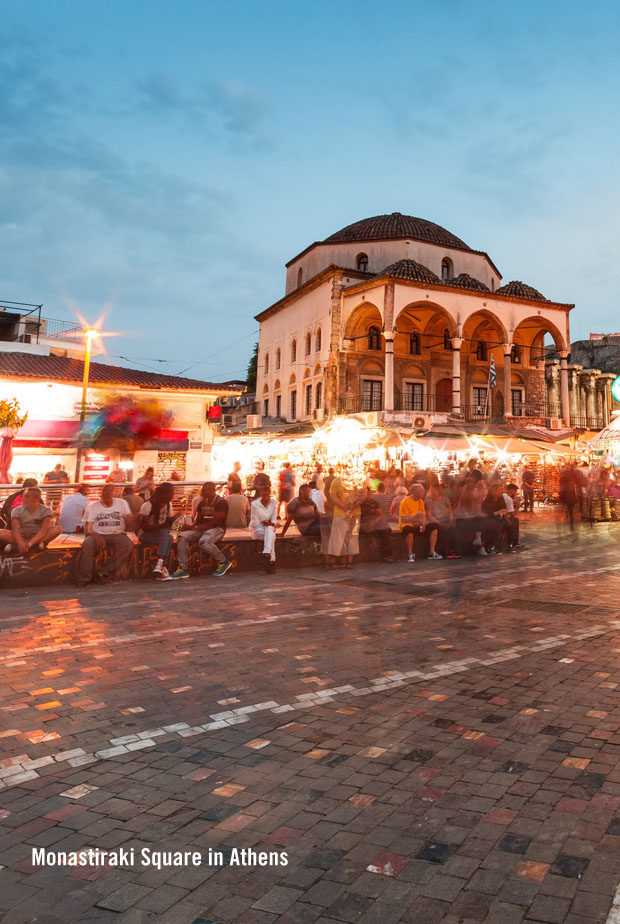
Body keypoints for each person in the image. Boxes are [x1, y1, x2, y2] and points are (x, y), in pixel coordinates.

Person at [75, 483, 133, 586]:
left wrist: (131, 519)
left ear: (114, 494)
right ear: (102, 495)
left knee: (128, 544)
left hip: (117, 534)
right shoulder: (93, 506)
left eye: (110, 493)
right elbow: (87, 528)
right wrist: (96, 535)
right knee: (87, 544)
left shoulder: (122, 503)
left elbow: (129, 519)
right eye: (105, 494)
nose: (107, 496)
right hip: (97, 534)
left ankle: (103, 572)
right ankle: (84, 578)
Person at [171, 482, 231, 579]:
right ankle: (183, 568)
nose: (203, 493)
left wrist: (193, 528)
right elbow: (198, 521)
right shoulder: (202, 503)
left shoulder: (221, 502)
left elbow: (214, 523)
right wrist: (184, 527)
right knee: (182, 536)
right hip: (202, 529)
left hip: (217, 529)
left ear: (213, 491)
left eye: (206, 491)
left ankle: (223, 561)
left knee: (203, 542)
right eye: (202, 491)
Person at [1, 487, 61, 554]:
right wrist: (21, 543)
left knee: (57, 529)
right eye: (24, 496)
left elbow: (45, 529)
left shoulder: (46, 510)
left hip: (38, 536)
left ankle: (22, 546)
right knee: (1, 533)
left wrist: (29, 543)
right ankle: (35, 546)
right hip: (21, 535)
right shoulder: (16, 510)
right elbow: (15, 529)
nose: (23, 499)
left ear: (36, 498)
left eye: (27, 497)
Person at [139, 482, 175, 580]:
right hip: (146, 535)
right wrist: (161, 526)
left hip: (160, 535)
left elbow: (168, 523)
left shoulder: (168, 505)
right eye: (171, 493)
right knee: (166, 535)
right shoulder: (147, 505)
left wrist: (174, 519)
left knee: (169, 537)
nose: (173, 495)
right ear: (164, 493)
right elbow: (144, 527)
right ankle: (162, 565)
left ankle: (161, 567)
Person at [425, 482, 459, 559]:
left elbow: (450, 511)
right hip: (435, 521)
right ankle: (444, 552)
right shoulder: (429, 500)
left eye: (434, 490)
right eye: (431, 490)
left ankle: (453, 550)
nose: (432, 492)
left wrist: (451, 519)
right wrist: (438, 522)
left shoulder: (445, 499)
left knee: (453, 530)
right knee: (442, 531)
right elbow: (429, 514)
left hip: (445, 520)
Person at [359, 488, 393, 562]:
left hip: (375, 521)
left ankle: (387, 554)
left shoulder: (374, 503)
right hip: (363, 522)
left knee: (386, 529)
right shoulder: (358, 503)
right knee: (365, 528)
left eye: (367, 494)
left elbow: (380, 515)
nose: (366, 496)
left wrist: (374, 522)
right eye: (363, 494)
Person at [251, 483, 278, 572]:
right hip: (258, 530)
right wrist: (265, 524)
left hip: (269, 528)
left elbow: (274, 520)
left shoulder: (273, 503)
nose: (266, 498)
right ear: (260, 495)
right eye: (264, 495)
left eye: (267, 495)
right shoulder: (255, 504)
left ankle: (266, 553)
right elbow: (255, 523)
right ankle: (271, 561)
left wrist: (269, 524)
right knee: (272, 536)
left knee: (269, 531)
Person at [398, 485, 427, 564]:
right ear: (415, 492)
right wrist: (414, 518)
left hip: (417, 523)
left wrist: (423, 524)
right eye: (421, 491)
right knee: (409, 532)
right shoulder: (405, 502)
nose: (423, 492)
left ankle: (431, 552)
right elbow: (403, 519)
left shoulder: (420, 501)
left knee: (433, 528)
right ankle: (410, 554)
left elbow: (423, 515)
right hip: (406, 524)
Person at [503, 483, 521, 549]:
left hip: (503, 515)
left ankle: (513, 542)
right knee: (515, 520)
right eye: (515, 491)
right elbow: (512, 514)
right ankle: (514, 542)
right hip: (504, 517)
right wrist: (518, 506)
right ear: (512, 490)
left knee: (515, 520)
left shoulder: (504, 495)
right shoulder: (508, 498)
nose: (516, 493)